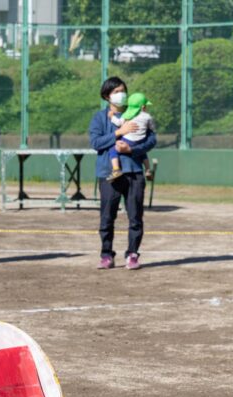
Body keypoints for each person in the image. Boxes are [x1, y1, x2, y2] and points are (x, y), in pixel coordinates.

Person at [88, 76, 157, 270]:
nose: (121, 95)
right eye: (116, 92)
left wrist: (131, 150)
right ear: (106, 96)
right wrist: (119, 132)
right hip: (108, 173)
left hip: (134, 171)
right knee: (107, 217)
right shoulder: (99, 118)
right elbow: (96, 143)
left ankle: (133, 254)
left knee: (135, 216)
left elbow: (152, 140)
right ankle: (106, 254)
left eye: (123, 91)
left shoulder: (138, 114)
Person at [106, 92, 154, 181]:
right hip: (141, 140)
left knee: (113, 149)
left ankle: (116, 169)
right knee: (142, 152)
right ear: (143, 107)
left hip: (128, 140)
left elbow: (118, 123)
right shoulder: (147, 116)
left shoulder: (127, 115)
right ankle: (147, 170)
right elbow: (151, 128)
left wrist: (112, 116)